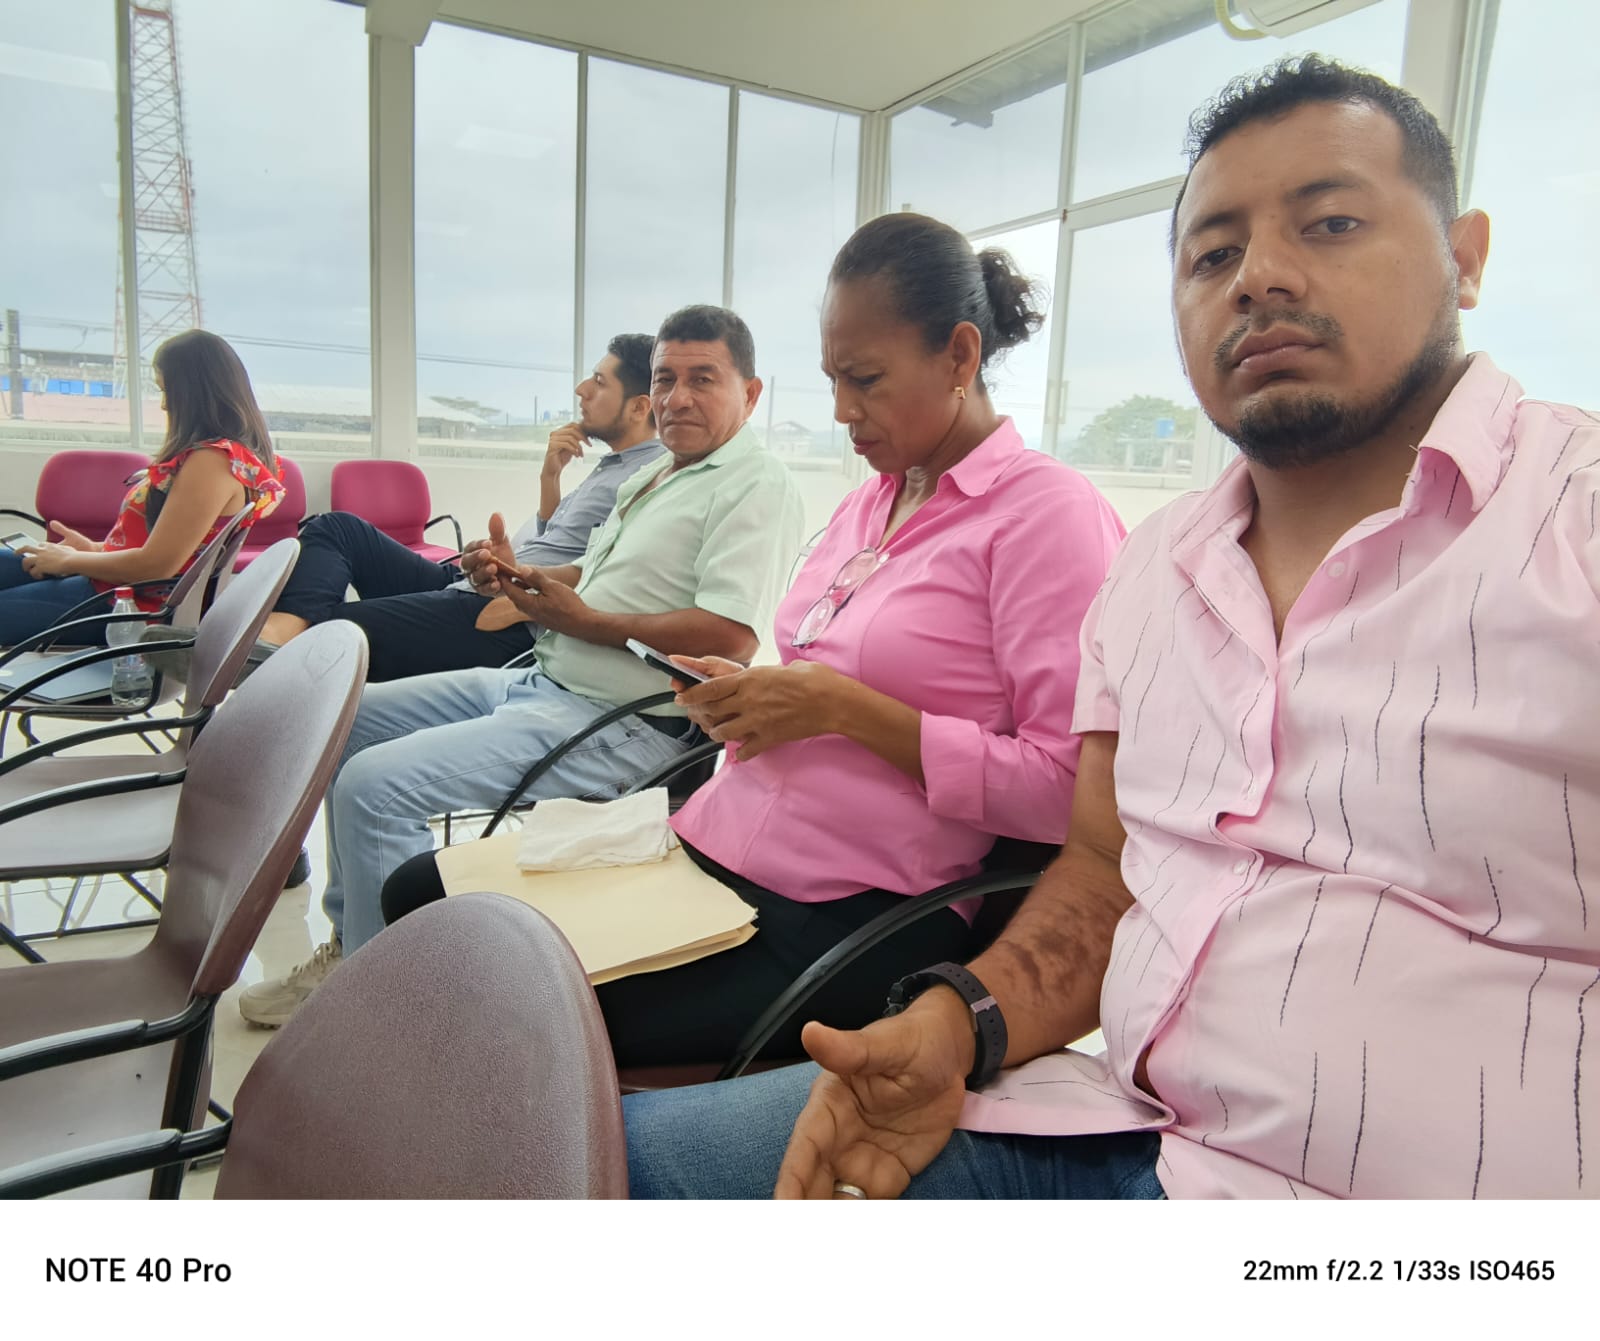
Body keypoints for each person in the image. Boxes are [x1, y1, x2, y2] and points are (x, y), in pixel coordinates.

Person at [620, 57, 1600, 1199]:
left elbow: (1029, 791)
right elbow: (1098, 872)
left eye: (1330, 223)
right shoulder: (1158, 570)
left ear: (1464, 257)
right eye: (1213, 255)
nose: (1260, 278)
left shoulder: (1570, 528)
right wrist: (960, 1022)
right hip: (1117, 1128)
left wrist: (843, 713)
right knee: (601, 1164)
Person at [380, 213, 1126, 1069]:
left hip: (849, 902)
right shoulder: (873, 501)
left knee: (481, 995)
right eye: (833, 380)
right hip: (720, 835)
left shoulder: (1046, 518)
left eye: (866, 379)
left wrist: (841, 709)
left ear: (959, 356)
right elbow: (830, 664)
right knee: (422, 900)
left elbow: (1068, 793)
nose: (842, 411)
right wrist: (748, 695)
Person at [239, 304, 805, 1027]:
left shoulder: (753, 483)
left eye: (703, 378)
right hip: (544, 681)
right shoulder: (657, 474)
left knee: (374, 788)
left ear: (750, 394)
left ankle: (386, 1016)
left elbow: (730, 635)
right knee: (340, 722)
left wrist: (587, 623)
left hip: (622, 726)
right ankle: (358, 947)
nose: (678, 397)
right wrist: (520, 578)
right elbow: (593, 579)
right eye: (666, 379)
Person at [255, 334, 667, 681]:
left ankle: (276, 650)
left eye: (599, 382)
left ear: (638, 407)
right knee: (337, 528)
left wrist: (515, 589)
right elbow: (557, 539)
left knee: (334, 628)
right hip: (475, 584)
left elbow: (610, 575)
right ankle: (282, 634)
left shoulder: (649, 477)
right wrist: (550, 478)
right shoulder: (613, 465)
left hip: (505, 610)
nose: (581, 389)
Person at [1, 329, 283, 645]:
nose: (164, 404)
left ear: (194, 392)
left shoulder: (212, 463)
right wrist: (93, 550)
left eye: (167, 391)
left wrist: (69, 561)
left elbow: (158, 565)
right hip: (113, 584)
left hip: (124, 603)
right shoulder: (219, 458)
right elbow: (167, 546)